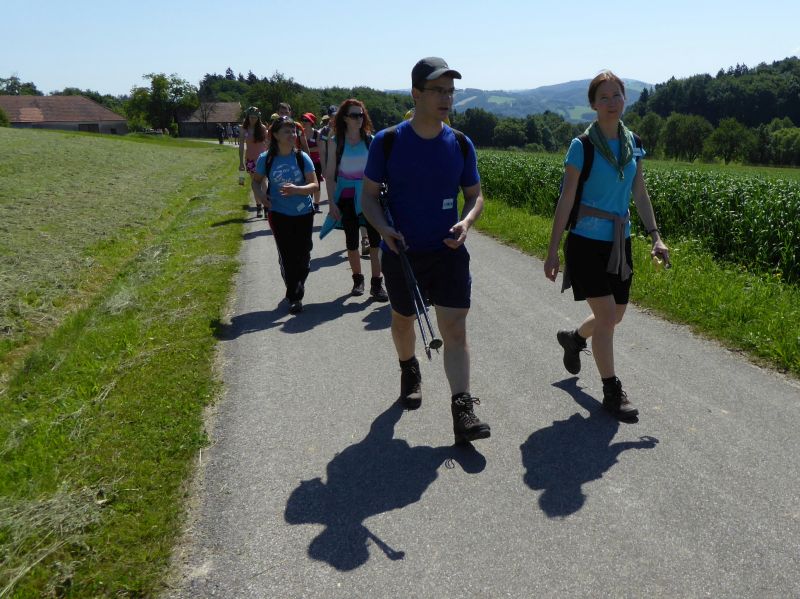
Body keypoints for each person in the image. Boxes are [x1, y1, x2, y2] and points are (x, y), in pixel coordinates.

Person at [360, 57, 490, 445]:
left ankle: (462, 409)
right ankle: (409, 367)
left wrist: (467, 222)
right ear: (416, 94)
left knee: (455, 329)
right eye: (437, 90)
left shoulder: (461, 143)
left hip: (449, 251)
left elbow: (475, 195)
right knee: (403, 322)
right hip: (402, 253)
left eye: (450, 91)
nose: (446, 98)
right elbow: (368, 197)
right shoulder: (388, 142)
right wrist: (383, 229)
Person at [543, 70, 669, 421]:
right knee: (607, 316)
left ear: (625, 99)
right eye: (604, 98)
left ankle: (574, 338)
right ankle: (612, 391)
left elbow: (639, 192)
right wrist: (552, 250)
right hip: (585, 243)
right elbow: (566, 199)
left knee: (615, 315)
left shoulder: (633, 143)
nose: (612, 103)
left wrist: (655, 236)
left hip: (619, 243)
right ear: (593, 105)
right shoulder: (582, 146)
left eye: (617, 96)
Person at [252, 116, 319, 314]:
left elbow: (314, 185)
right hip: (278, 213)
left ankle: (296, 283)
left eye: (293, 131)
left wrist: (297, 189)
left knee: (304, 254)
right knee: (288, 255)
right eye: (287, 131)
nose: (292, 135)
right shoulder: (266, 158)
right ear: (275, 135)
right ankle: (295, 296)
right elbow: (256, 181)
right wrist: (261, 196)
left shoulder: (301, 157)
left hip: (303, 212)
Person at [323, 99, 388, 302]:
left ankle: (377, 284)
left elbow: (381, 171)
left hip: (370, 196)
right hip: (347, 198)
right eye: (354, 115)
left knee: (376, 242)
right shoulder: (336, 142)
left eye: (361, 115)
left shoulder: (371, 140)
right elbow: (330, 175)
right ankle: (358, 280)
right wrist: (332, 203)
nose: (359, 118)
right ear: (344, 118)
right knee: (351, 242)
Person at [238, 107, 269, 218]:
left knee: (264, 182)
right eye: (251, 117)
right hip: (250, 159)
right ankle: (258, 207)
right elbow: (241, 146)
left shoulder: (263, 128)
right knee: (255, 183)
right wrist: (241, 162)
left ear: (258, 118)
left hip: (262, 159)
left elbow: (267, 143)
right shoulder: (244, 129)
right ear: (248, 117)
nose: (253, 119)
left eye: (255, 117)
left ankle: (266, 207)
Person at [301, 112, 323, 213]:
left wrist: (306, 149)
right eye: (303, 120)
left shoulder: (316, 133)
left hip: (316, 162)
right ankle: (306, 204)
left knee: (316, 183)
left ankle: (316, 204)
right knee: (305, 183)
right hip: (303, 161)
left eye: (306, 120)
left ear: (311, 122)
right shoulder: (300, 132)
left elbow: (319, 148)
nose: (304, 122)